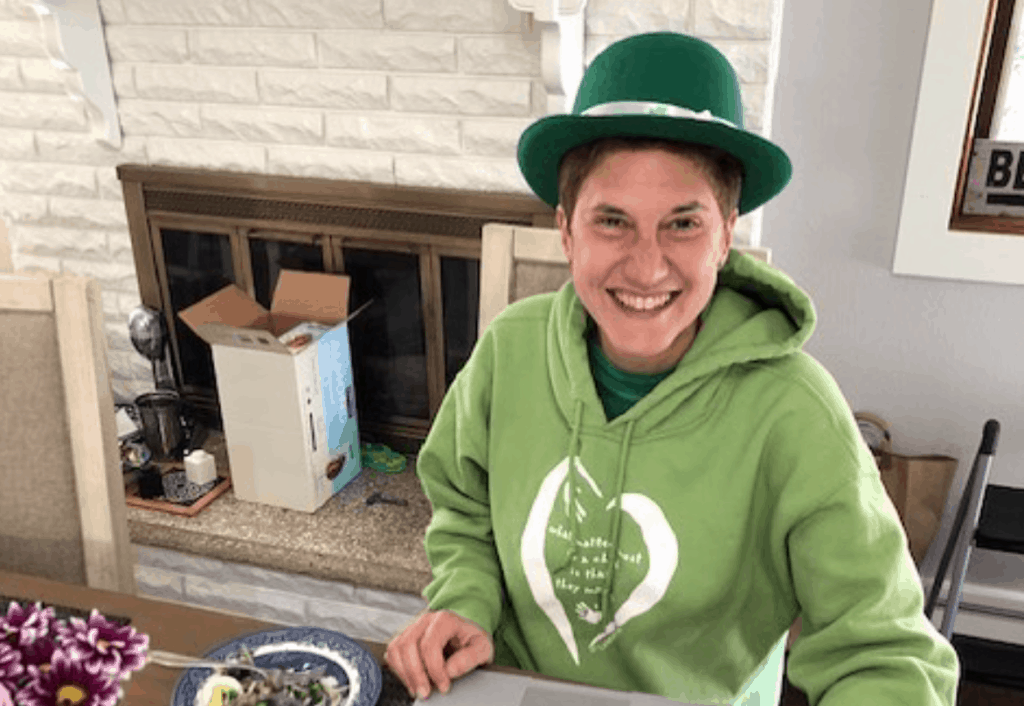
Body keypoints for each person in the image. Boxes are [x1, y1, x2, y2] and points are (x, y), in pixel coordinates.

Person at [384, 31, 959, 705]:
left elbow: (883, 653)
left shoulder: (798, 413)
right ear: (567, 232)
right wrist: (467, 599)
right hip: (512, 690)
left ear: (726, 235)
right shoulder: (509, 350)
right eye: (613, 222)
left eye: (683, 224)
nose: (647, 266)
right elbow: (463, 505)